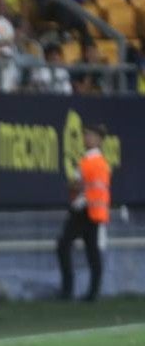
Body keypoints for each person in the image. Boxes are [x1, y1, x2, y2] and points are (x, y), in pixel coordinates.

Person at [58, 123, 112, 301]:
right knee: (91, 252)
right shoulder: (98, 161)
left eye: (90, 135)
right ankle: (91, 292)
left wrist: (74, 187)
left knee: (65, 245)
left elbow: (80, 184)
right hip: (94, 211)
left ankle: (69, 290)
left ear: (98, 139)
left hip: (84, 209)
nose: (86, 138)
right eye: (86, 135)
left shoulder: (92, 162)